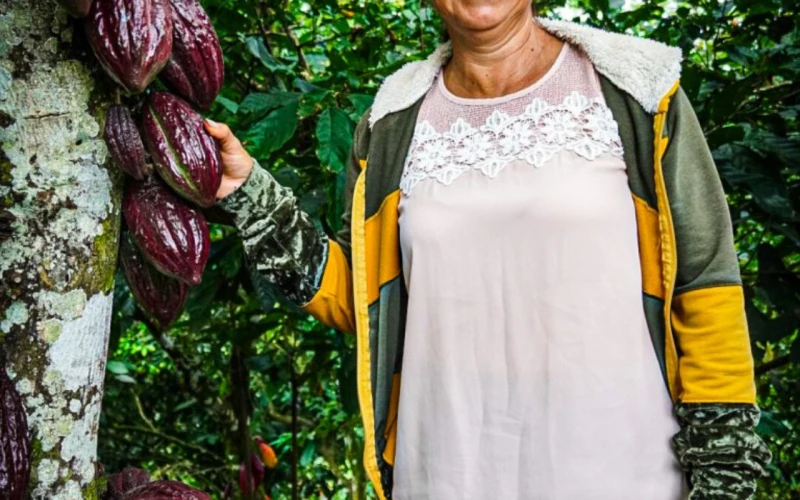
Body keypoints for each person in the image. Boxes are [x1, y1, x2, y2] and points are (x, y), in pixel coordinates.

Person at [205, 1, 771, 498]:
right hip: (443, 476)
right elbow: (365, 302)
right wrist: (250, 194)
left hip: (625, 474)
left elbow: (706, 281)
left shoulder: (637, 91)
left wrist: (723, 470)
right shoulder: (390, 124)